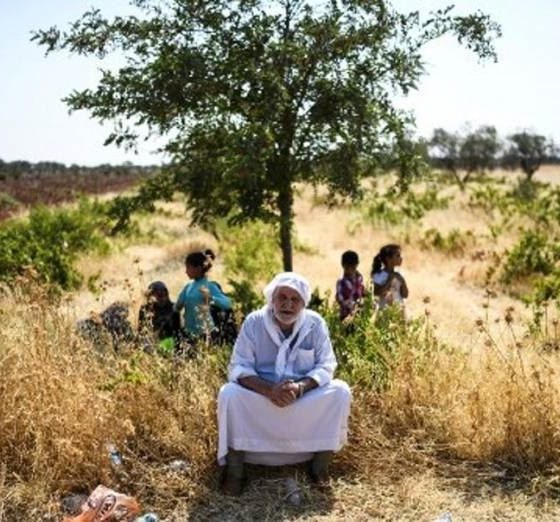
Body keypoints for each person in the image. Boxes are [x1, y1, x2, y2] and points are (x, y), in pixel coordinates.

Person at [217, 272, 352, 496]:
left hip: (301, 396)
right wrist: (269, 390)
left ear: (303, 303)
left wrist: (300, 388)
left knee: (340, 391)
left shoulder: (314, 323)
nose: (288, 305)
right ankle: (235, 472)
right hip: (261, 395)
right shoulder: (254, 322)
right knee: (229, 394)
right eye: (283, 298)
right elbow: (239, 367)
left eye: (295, 299)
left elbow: (326, 366)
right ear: (272, 299)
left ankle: (319, 468)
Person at [174, 249, 232, 341]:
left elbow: (228, 303)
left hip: (207, 334)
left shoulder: (210, 286)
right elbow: (177, 307)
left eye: (188, 267)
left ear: (199, 268)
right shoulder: (188, 287)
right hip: (189, 333)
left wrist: (211, 298)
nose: (186, 271)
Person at [138, 281, 181, 352]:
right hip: (151, 344)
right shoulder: (145, 309)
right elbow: (141, 331)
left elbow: (177, 331)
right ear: (150, 297)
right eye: (159, 295)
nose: (163, 298)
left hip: (169, 344)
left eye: (165, 295)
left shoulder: (173, 307)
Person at [371, 244, 409, 310]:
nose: (401, 258)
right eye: (397, 256)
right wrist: (389, 279)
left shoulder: (399, 274)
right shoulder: (380, 275)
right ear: (388, 259)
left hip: (399, 308)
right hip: (384, 309)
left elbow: (405, 295)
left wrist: (402, 280)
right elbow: (376, 293)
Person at [335, 250, 365, 321]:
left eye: (353, 268)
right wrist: (351, 304)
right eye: (347, 268)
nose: (350, 270)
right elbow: (340, 300)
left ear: (356, 265)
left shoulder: (359, 279)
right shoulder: (341, 283)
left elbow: (363, 293)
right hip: (346, 316)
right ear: (343, 265)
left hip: (360, 315)